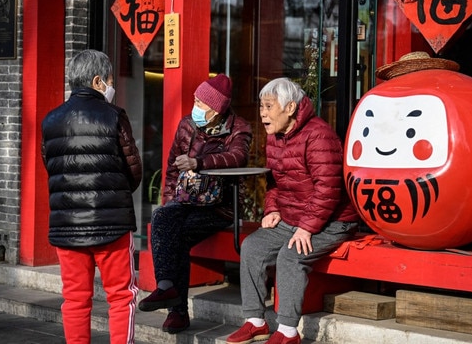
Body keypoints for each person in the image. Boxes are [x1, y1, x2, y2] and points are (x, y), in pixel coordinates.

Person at [226, 78, 360, 344]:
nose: (262, 112)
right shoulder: (275, 137)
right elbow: (276, 181)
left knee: (291, 254)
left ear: (289, 107)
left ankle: (288, 331)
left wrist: (307, 227)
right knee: (252, 247)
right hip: (294, 217)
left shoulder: (319, 134)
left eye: (268, 106)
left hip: (332, 220)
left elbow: (328, 189)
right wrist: (272, 208)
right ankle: (255, 321)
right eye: (261, 106)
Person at [41, 49, 142, 344]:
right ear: (98, 81)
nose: (113, 87)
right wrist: (113, 194)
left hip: (67, 224)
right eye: (111, 80)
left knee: (74, 300)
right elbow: (133, 169)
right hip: (111, 224)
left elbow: (51, 167)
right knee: (122, 297)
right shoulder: (114, 116)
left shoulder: (50, 120)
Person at [138, 73, 253, 334]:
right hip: (186, 201)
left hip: (220, 206)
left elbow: (238, 157)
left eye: (201, 103)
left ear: (215, 110)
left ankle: (176, 309)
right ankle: (166, 287)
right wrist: (168, 203)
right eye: (195, 100)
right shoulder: (187, 125)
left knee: (174, 234)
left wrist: (199, 163)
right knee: (162, 218)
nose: (195, 106)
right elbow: (170, 169)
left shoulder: (239, 128)